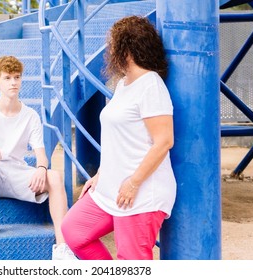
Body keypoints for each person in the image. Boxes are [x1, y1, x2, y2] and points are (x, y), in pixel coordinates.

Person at [61, 16, 177, 260]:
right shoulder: (124, 84)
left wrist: (133, 182)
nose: (109, 51)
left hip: (141, 192)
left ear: (126, 48)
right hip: (110, 188)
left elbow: (164, 141)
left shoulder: (151, 85)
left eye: (112, 45)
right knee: (74, 231)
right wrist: (101, 174)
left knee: (131, 260)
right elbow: (119, 137)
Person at [0, 55, 76, 260]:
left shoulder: (30, 115)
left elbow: (41, 156)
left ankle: (62, 248)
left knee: (54, 177)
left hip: (16, 173)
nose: (13, 83)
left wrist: (41, 169)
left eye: (17, 77)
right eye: (8, 78)